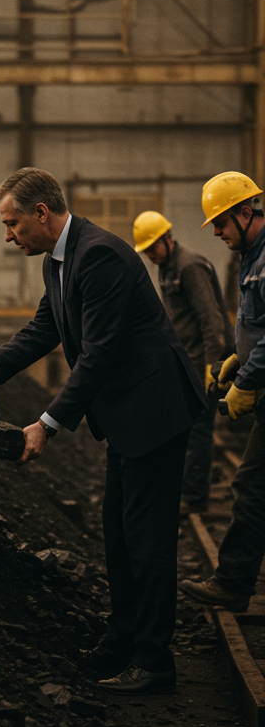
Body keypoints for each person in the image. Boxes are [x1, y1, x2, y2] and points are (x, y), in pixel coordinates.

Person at [0, 168, 208, 696]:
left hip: (153, 413)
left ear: (42, 213)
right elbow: (45, 328)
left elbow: (99, 353)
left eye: (12, 223)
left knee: (147, 544)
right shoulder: (59, 262)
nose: (8, 235)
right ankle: (120, 642)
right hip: (129, 419)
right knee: (118, 535)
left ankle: (154, 663)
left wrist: (47, 424)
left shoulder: (98, 256)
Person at [179, 172, 265, 614]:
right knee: (252, 487)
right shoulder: (252, 254)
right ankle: (233, 580)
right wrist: (238, 360)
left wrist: (247, 381)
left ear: (245, 213)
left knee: (252, 488)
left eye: (220, 222)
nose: (216, 232)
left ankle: (233, 582)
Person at [133, 210, 234, 512]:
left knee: (198, 429)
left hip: (205, 364)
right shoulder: (167, 267)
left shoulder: (189, 267)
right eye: (146, 250)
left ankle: (194, 496)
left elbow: (211, 320)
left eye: (153, 247)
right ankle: (187, 487)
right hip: (187, 363)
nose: (150, 254)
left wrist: (212, 367)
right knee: (186, 427)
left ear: (167, 238)